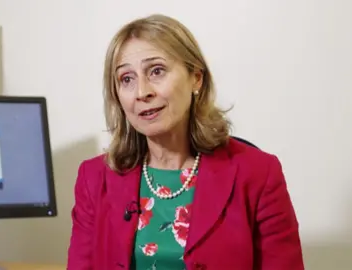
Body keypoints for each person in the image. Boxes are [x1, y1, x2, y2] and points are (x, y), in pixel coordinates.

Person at [67, 14, 304, 270]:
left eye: (156, 71)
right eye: (127, 79)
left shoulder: (258, 174)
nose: (141, 92)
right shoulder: (93, 179)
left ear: (196, 77)